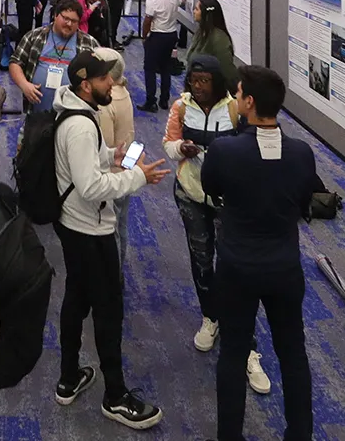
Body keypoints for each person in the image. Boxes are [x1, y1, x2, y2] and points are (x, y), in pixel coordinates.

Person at [52, 50, 170, 430]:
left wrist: (109, 154)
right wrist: (137, 178)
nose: (112, 84)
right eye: (105, 80)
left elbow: (82, 161)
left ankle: (69, 377)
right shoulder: (83, 125)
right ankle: (115, 396)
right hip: (91, 230)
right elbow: (90, 187)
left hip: (73, 226)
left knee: (76, 298)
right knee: (108, 311)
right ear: (86, 85)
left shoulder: (72, 113)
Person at [201, 65, 315, 441]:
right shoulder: (302, 154)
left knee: (233, 354)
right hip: (284, 267)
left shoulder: (223, 150)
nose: (234, 101)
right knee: (293, 355)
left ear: (249, 102)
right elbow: (303, 202)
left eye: (237, 95)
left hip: (236, 268)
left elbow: (211, 189)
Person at [162, 56, 269, 392]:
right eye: (194, 79)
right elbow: (168, 143)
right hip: (192, 195)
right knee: (201, 263)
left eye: (205, 79)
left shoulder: (234, 109)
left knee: (235, 270)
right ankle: (211, 318)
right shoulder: (180, 107)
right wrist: (181, 147)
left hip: (228, 201)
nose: (199, 85)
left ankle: (248, 347)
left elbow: (253, 144)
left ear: (217, 81)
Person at [8, 0, 99, 113]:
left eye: (74, 21)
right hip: (37, 116)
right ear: (55, 15)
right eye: (65, 18)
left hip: (73, 115)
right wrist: (24, 85)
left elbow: (99, 76)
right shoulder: (34, 37)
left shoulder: (89, 43)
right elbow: (16, 62)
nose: (69, 24)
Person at [93, 47, 133, 266]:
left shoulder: (106, 104)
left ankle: (112, 277)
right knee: (121, 225)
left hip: (112, 176)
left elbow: (103, 146)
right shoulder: (123, 93)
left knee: (111, 230)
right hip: (124, 170)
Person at [139, 0, 181, 113]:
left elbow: (147, 20)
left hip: (157, 36)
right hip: (171, 35)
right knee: (165, 68)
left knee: (149, 68)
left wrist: (144, 37)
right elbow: (181, 3)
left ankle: (151, 101)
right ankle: (164, 100)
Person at [185, 0, 239, 94]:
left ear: (206, 14)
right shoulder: (202, 32)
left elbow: (227, 69)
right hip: (197, 87)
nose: (194, 12)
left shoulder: (219, 39)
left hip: (210, 92)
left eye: (197, 9)